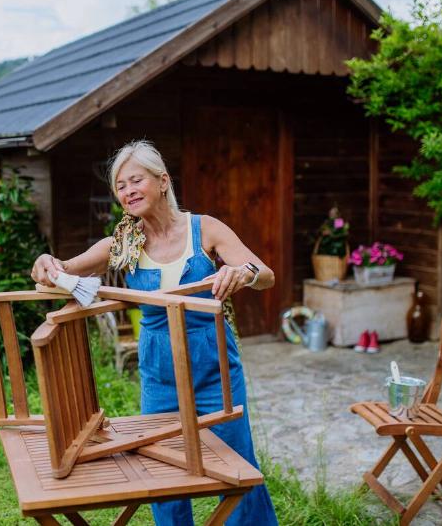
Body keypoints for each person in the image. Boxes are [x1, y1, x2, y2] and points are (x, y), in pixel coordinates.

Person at [31, 140, 278, 526]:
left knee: (237, 468)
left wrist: (243, 272)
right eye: (120, 186)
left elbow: (265, 275)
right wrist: (47, 264)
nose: (128, 191)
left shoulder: (204, 228)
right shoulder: (122, 243)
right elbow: (63, 271)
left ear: (162, 181)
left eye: (136, 180)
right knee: (163, 473)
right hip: (160, 372)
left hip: (214, 370)